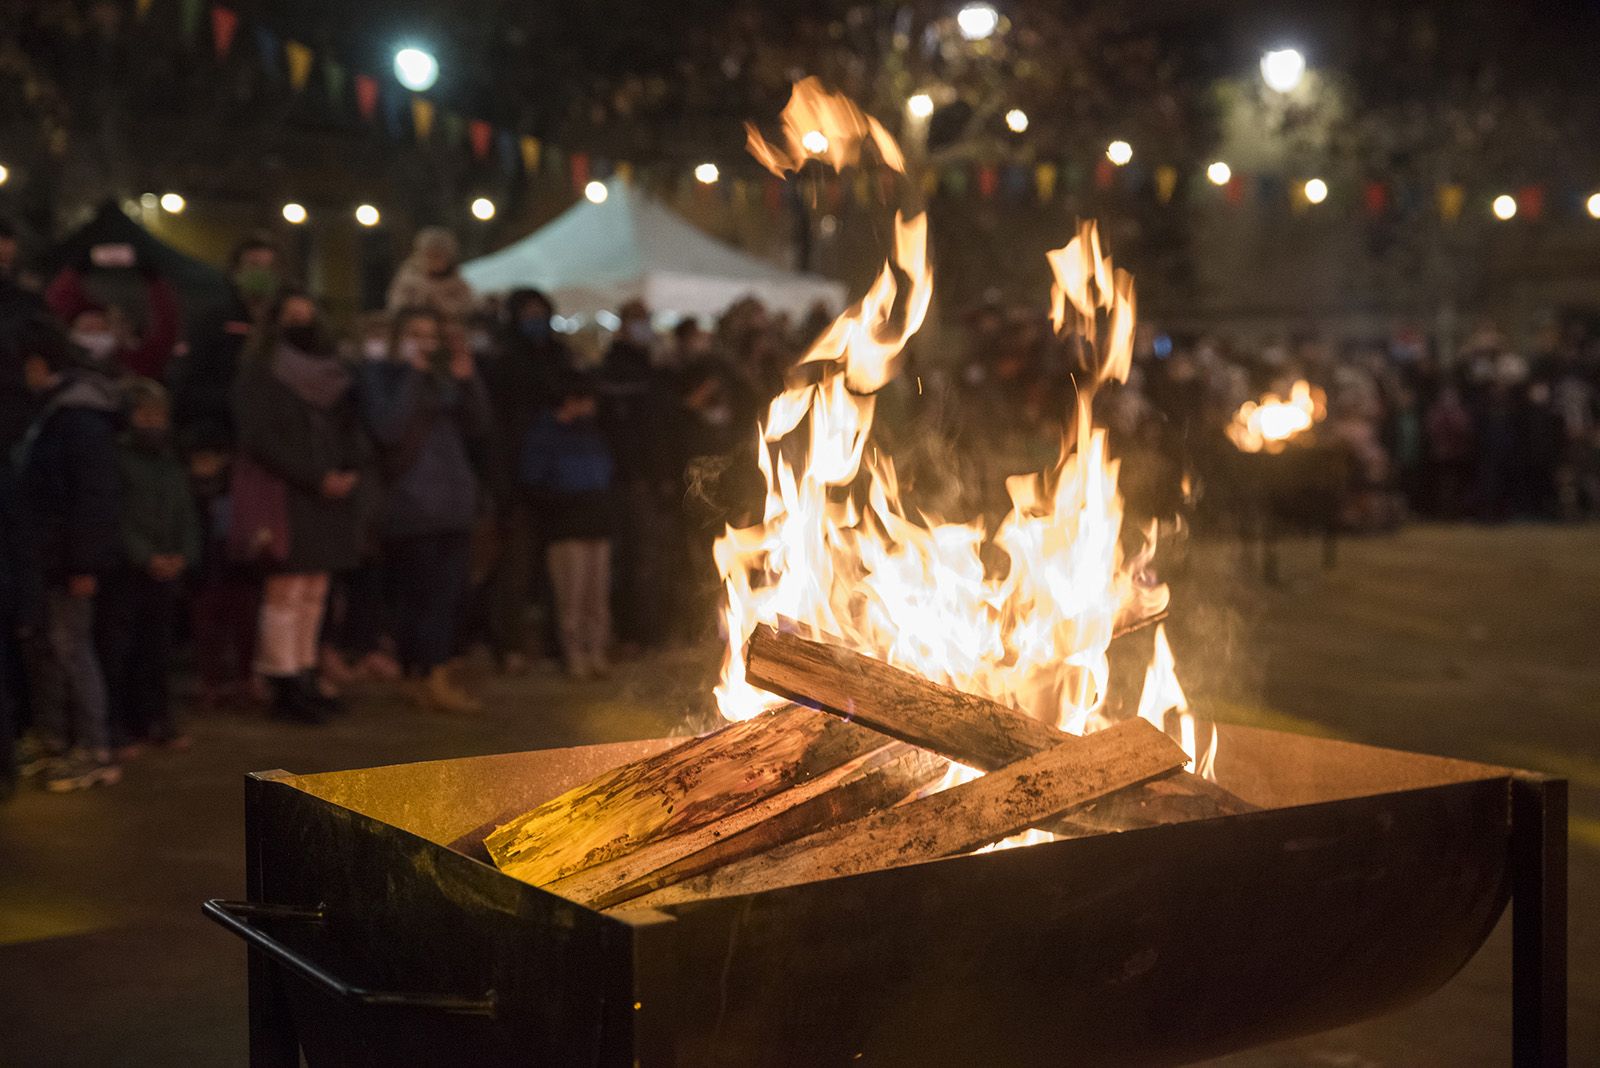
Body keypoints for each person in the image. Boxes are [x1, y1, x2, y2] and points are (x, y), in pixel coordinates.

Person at [233, 289, 369, 722]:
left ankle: (306, 672)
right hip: (288, 493)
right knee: (286, 590)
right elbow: (260, 438)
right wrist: (315, 476)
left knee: (315, 591)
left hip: (329, 494)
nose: (301, 325)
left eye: (307, 316)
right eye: (291, 317)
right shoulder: (260, 373)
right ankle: (283, 681)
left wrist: (347, 469)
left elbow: (350, 428)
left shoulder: (334, 375)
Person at [360, 307, 491, 713]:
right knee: (420, 599)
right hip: (411, 506)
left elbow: (479, 425)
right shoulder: (378, 375)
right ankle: (424, 676)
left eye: (431, 335)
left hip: (453, 503)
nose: (425, 342)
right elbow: (388, 427)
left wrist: (468, 379)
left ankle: (425, 676)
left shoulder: (443, 379)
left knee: (447, 596)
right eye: (416, 333)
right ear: (399, 336)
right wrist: (414, 375)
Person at [15, 323, 124, 790]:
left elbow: (94, 499)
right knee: (48, 648)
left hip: (67, 558)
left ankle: (94, 750)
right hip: (48, 556)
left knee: (71, 649)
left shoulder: (78, 419)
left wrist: (84, 564)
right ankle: (56, 740)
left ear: (41, 365)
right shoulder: (56, 414)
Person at [97, 379, 199, 755]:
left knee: (157, 653)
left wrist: (183, 554)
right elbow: (117, 516)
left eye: (159, 416)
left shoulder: (170, 462)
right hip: (128, 574)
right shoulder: (118, 459)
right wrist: (144, 556)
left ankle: (156, 721)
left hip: (166, 573)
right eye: (145, 415)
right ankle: (120, 725)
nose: (153, 423)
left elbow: (185, 512)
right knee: (121, 651)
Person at [484, 288, 573, 670]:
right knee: (517, 570)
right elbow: (497, 428)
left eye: (541, 312)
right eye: (529, 313)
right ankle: (510, 646)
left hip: (560, 480)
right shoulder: (503, 362)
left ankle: (556, 645)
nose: (536, 320)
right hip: (519, 481)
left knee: (556, 573)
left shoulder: (559, 356)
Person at [520, 375, 617, 679]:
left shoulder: (590, 434)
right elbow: (533, 481)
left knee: (597, 598)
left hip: (596, 525)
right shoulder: (544, 436)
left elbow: (605, 471)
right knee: (571, 599)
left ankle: (596, 655)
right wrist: (563, 502)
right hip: (566, 529)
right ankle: (575, 658)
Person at [171, 235, 285, 449]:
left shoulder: (282, 322)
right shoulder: (214, 319)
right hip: (221, 433)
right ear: (235, 271)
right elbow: (188, 380)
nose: (262, 273)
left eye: (269, 266)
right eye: (254, 265)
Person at [45, 264, 181, 382]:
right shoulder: (64, 350)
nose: (91, 322)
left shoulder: (135, 361)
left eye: (120, 322)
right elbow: (55, 307)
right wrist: (77, 268)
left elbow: (166, 330)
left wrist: (154, 280)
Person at [386, 228, 475, 323]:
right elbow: (397, 306)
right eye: (430, 255)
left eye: (439, 256)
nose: (435, 261)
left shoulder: (457, 284)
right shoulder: (408, 280)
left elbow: (468, 308)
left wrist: (443, 304)